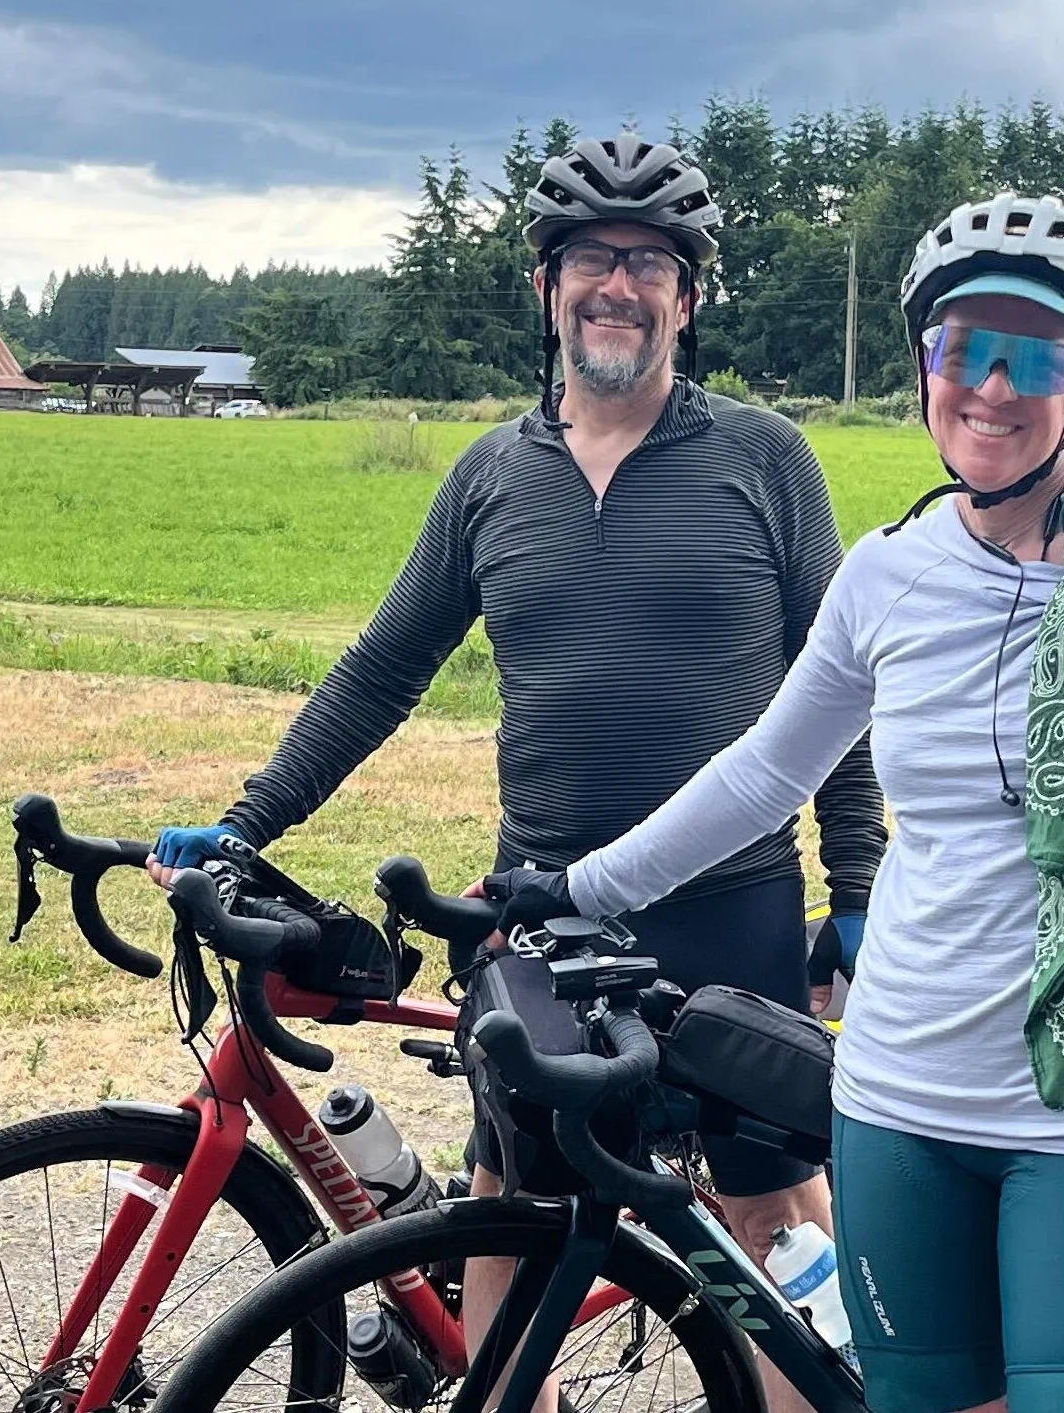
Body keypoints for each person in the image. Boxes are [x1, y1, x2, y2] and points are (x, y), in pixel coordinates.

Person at [497, 193, 1064, 1413]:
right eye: (964, 349)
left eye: (1034, 357)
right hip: (900, 1094)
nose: (991, 387)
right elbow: (768, 771)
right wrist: (580, 887)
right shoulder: (888, 574)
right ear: (924, 366)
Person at [149, 131, 885, 1405]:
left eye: (650, 263)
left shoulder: (767, 459)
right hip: (542, 918)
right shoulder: (493, 474)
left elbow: (842, 692)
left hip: (732, 910)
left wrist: (858, 883)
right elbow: (383, 669)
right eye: (593, 258)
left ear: (689, 297)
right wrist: (247, 820)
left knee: (773, 1224)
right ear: (548, 286)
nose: (619, 285)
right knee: (516, 1217)